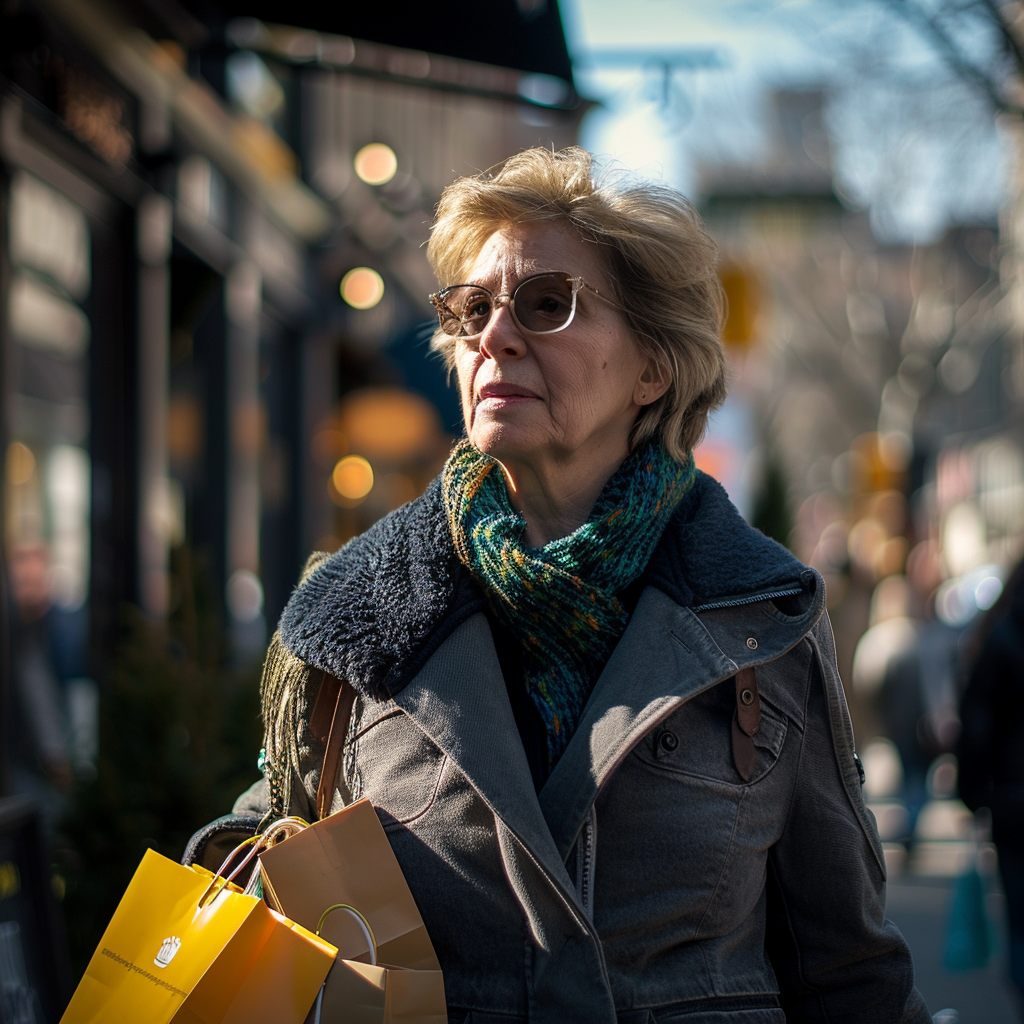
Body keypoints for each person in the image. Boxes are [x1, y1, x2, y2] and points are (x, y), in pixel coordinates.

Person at [216, 147, 929, 1022]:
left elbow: (847, 971)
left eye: (547, 303)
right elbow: (268, 848)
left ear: (653, 369)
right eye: (471, 308)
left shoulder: (761, 619)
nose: (494, 335)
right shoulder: (352, 616)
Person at [958, 558, 1024, 1020]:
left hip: (1013, 802)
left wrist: (972, 793)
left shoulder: (1002, 637)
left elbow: (976, 725)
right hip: (1010, 798)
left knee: (1020, 922)